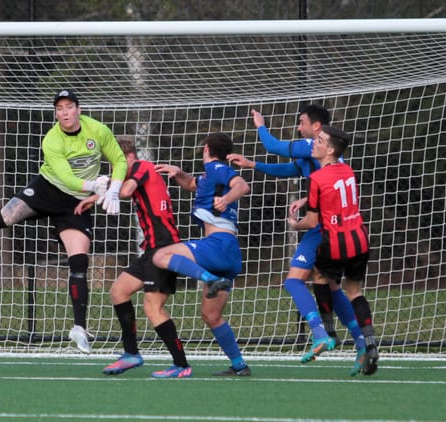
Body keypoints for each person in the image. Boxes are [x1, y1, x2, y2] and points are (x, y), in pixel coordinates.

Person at [0, 89, 127, 354]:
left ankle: (79, 328)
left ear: (79, 109)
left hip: (74, 205)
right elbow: (67, 178)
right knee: (4, 219)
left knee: (79, 260)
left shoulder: (98, 130)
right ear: (56, 113)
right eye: (60, 108)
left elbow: (119, 160)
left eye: (69, 107)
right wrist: (94, 185)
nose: (65, 112)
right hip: (48, 189)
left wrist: (113, 189)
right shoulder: (52, 140)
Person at [228, 106, 375, 374]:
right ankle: (361, 342)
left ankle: (321, 334)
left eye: (302, 122)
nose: (299, 128)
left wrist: (260, 125)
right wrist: (253, 165)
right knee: (332, 287)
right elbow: (290, 169)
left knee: (294, 280)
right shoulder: (323, 160)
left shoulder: (311, 145)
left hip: (325, 228)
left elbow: (273, 146)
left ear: (317, 128)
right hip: (347, 230)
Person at [74, 138, 191, 378]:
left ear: (122, 156)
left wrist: (105, 191)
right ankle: (131, 354)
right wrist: (95, 198)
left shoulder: (142, 166)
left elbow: (125, 190)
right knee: (118, 291)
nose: (114, 169)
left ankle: (181, 365)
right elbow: (123, 188)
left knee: (153, 307)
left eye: (114, 161)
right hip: (150, 250)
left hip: (165, 248)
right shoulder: (137, 172)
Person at [152, 132, 252, 377]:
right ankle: (239, 365)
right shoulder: (210, 176)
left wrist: (226, 199)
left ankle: (208, 278)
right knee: (211, 315)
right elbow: (192, 184)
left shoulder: (218, 168)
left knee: (160, 256)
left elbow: (242, 185)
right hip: (227, 252)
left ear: (206, 149)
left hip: (218, 244)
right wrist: (179, 173)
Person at [286, 125, 379, 375]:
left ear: (330, 149)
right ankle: (367, 343)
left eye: (319, 140)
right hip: (360, 238)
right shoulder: (348, 170)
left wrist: (296, 224)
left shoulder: (317, 178)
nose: (314, 143)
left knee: (318, 277)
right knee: (352, 291)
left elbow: (313, 221)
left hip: (335, 240)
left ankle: (326, 332)